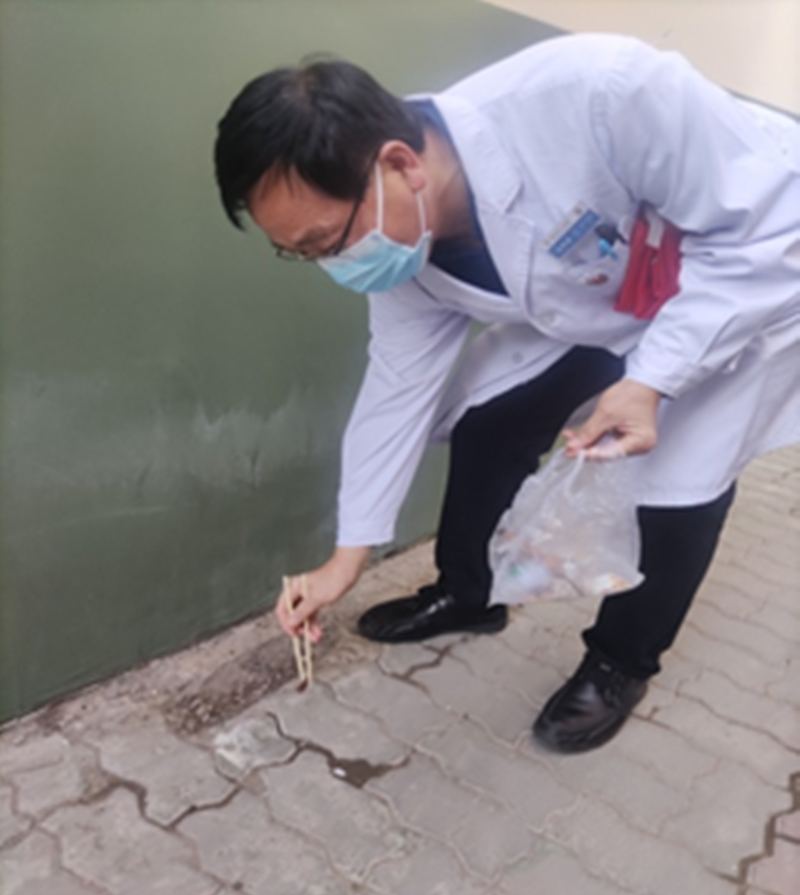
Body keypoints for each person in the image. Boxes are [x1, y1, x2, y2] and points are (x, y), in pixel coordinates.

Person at [214, 34, 800, 752]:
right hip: (601, 298)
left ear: (399, 165)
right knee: (491, 423)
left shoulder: (603, 92)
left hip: (744, 277)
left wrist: (652, 379)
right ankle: (470, 593)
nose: (331, 266)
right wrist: (346, 558)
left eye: (326, 241)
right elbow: (396, 388)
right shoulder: (403, 245)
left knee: (675, 484)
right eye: (299, 254)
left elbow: (769, 231)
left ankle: (619, 662)